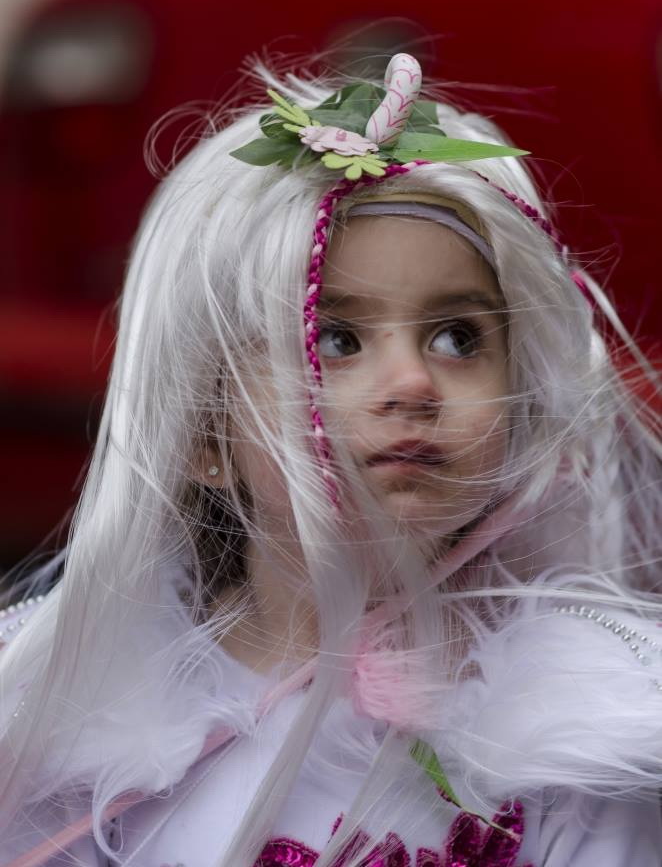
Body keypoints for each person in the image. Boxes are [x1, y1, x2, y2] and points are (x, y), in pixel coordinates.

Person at [1, 52, 661, 867]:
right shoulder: (82, 737)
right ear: (203, 438)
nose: (412, 382)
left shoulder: (580, 737)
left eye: (458, 337)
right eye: (336, 339)